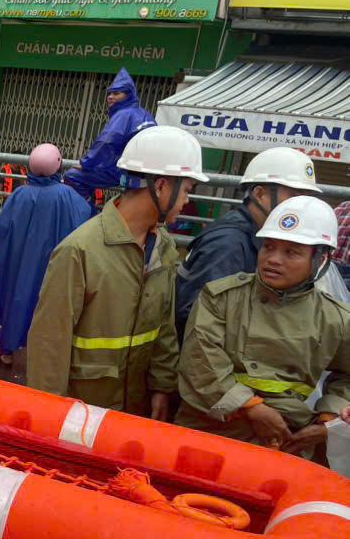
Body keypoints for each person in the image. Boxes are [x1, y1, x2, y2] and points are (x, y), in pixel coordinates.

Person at [27, 125, 205, 417]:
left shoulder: (164, 249)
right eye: (186, 189)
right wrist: (50, 418)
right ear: (160, 186)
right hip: (84, 413)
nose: (188, 201)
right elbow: (49, 346)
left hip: (135, 409)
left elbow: (165, 327)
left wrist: (161, 387)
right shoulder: (80, 251)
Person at [177, 196, 350, 454]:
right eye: (268, 247)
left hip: (286, 440)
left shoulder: (335, 318)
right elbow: (199, 362)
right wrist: (251, 407)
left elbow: (346, 376)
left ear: (320, 259)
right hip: (210, 430)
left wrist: (327, 419)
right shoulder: (221, 297)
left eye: (291, 252)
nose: (273, 259)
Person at [174, 148, 320, 337]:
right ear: (259, 194)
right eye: (294, 196)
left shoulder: (258, 236)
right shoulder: (229, 245)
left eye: (306, 198)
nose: (300, 206)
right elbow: (199, 321)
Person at [0, 143, 92, 366]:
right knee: (48, 304)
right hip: (52, 267)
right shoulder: (69, 197)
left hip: (19, 265)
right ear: (58, 166)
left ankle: (8, 349)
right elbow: (85, 224)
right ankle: (44, 356)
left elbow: (1, 230)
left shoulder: (19, 195)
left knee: (15, 300)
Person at [63, 69, 155, 204]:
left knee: (72, 176)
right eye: (109, 93)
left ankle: (87, 215)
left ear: (128, 95)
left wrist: (87, 163)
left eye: (116, 93)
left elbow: (107, 142)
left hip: (123, 171)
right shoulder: (145, 114)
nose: (110, 97)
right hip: (144, 173)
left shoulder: (124, 114)